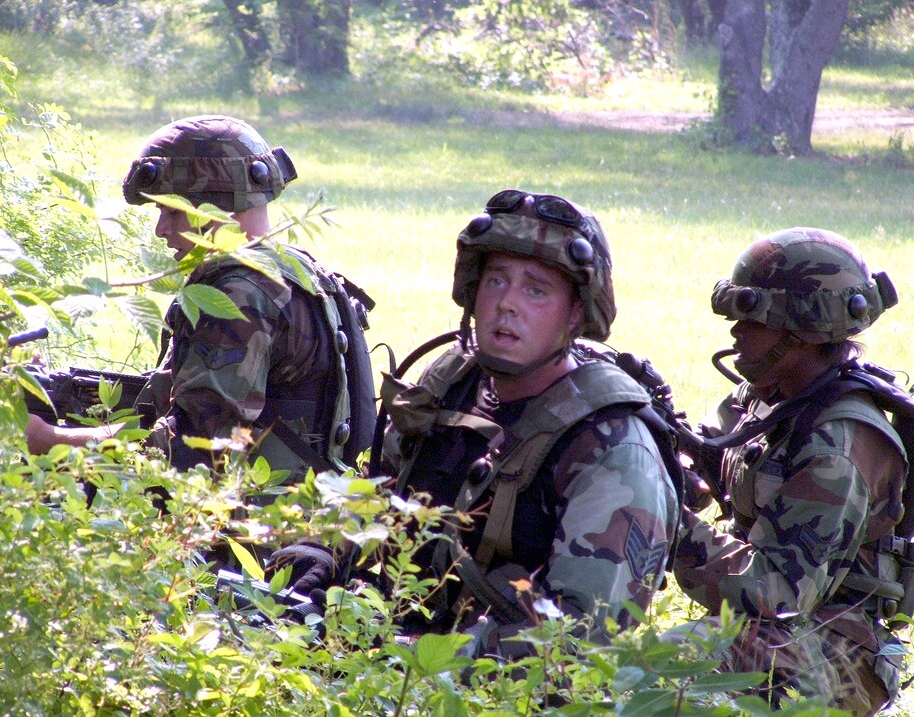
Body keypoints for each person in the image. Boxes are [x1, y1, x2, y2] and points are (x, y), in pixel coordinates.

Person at [271, 189, 681, 657]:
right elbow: (378, 491)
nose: (507, 304)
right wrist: (325, 548)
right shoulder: (451, 381)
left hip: (503, 693)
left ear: (575, 314)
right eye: (496, 281)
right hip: (396, 653)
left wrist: (420, 656)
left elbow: (582, 643)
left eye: (536, 290)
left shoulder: (613, 448)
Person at [671, 227, 914, 717]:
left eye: (754, 320)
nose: (736, 332)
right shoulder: (774, 398)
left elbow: (777, 595)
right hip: (780, 629)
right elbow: (732, 471)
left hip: (836, 652)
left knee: (659, 678)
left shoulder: (838, 444)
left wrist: (668, 523)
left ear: (802, 332)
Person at [26, 115, 370, 478]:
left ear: (217, 207)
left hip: (256, 512)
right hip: (313, 502)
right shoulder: (294, 272)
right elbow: (190, 400)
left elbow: (191, 452)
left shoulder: (240, 296)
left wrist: (49, 439)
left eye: (173, 212)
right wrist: (59, 392)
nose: (161, 230)